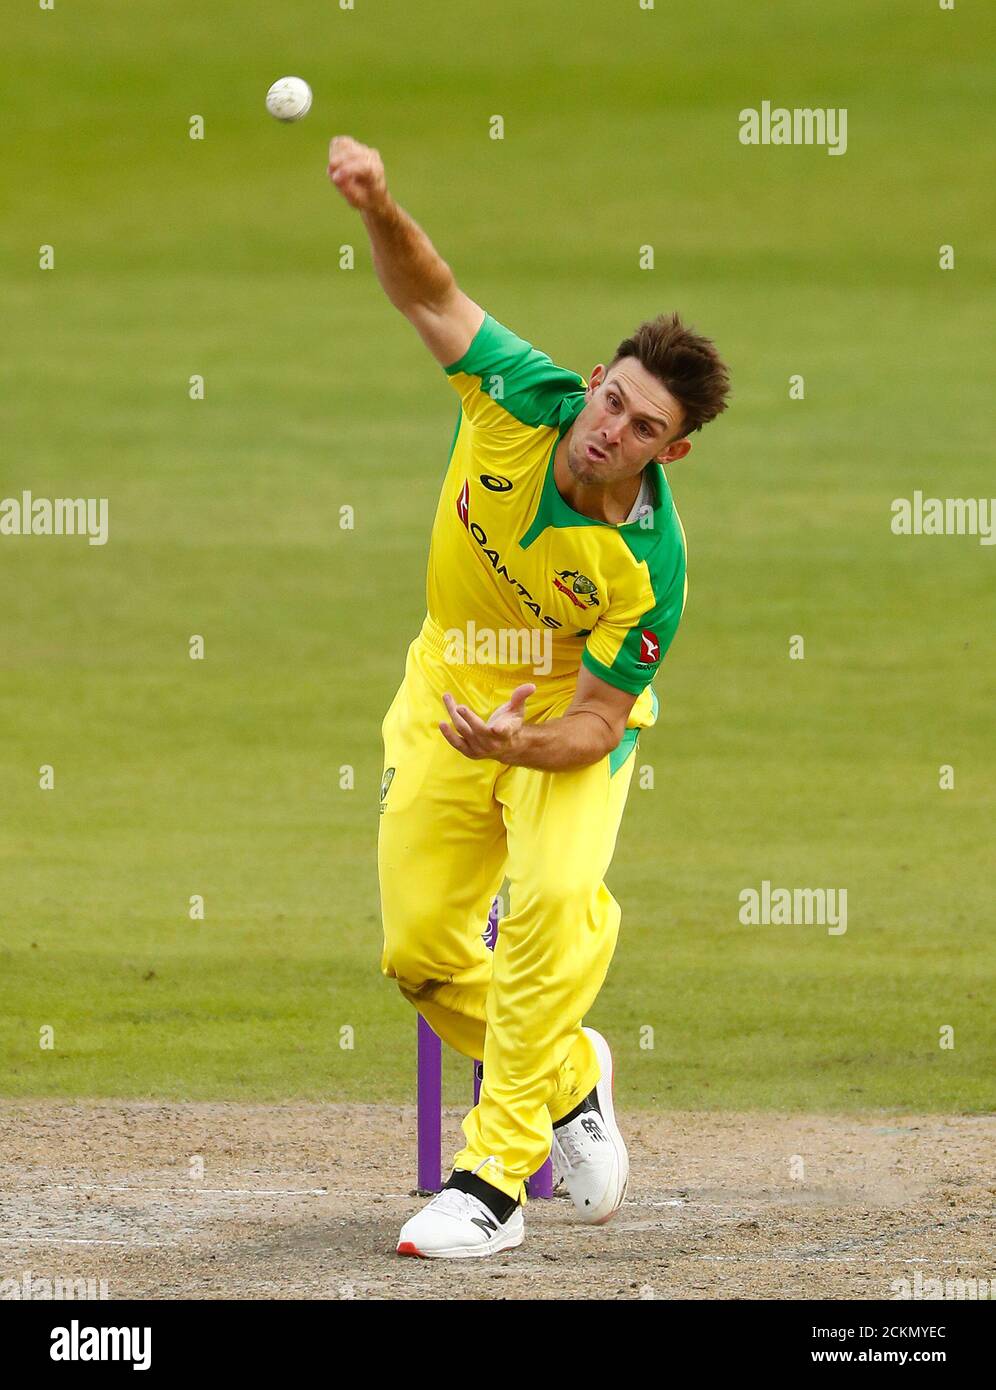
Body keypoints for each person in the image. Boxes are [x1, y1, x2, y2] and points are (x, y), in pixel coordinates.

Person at [328, 136, 731, 1259]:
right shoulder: (516, 394)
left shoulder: (650, 566)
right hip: (444, 693)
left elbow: (602, 720)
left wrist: (530, 740)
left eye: (644, 426)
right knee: (421, 957)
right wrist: (379, 204)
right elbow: (432, 294)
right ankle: (568, 1067)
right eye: (613, 399)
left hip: (558, 727)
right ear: (596, 376)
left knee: (554, 901)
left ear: (674, 451)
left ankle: (491, 1182)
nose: (610, 428)